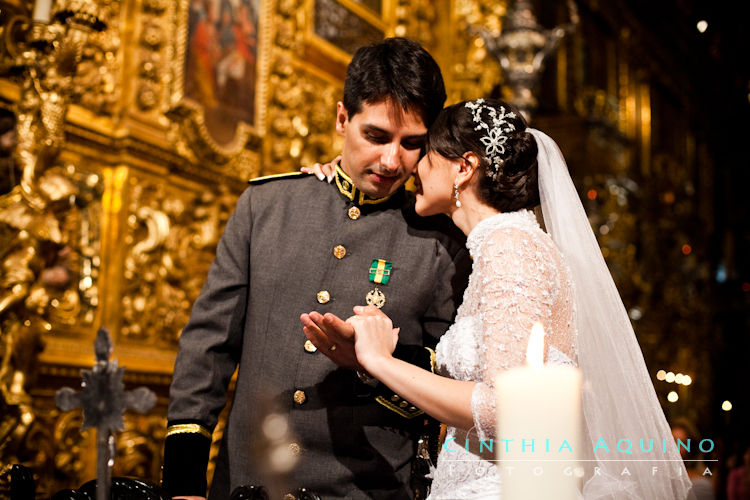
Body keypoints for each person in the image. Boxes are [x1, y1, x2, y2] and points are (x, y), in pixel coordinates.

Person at [303, 98, 695, 499]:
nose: (414, 167)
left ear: (464, 167)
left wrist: (380, 362)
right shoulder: (502, 244)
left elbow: (506, 409)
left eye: (428, 155)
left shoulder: (511, 246)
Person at [161, 37, 471, 500]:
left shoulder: (442, 243)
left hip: (367, 488)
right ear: (343, 117)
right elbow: (208, 347)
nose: (392, 161)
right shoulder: (267, 206)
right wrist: (184, 481)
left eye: (412, 144)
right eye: (376, 136)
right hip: (251, 480)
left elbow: (449, 382)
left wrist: (373, 366)